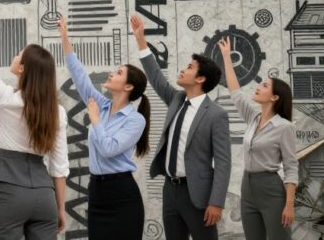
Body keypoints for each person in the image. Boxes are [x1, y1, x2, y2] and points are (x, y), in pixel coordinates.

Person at [0, 0, 68, 240]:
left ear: (22, 68)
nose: (15, 56)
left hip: (9, 192)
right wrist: (61, 208)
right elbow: (59, 165)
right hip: (45, 196)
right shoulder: (57, 112)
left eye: (18, 54)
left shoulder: (6, 98)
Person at [132, 14, 231, 240]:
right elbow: (157, 78)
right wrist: (141, 42)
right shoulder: (176, 99)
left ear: (200, 79)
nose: (183, 70)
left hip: (197, 194)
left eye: (189, 67)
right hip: (171, 191)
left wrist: (216, 202)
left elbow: (224, 163)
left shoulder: (217, 115)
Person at [59, 15, 149, 240]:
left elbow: (109, 149)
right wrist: (64, 37)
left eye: (118, 73)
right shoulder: (101, 104)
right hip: (97, 192)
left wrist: (96, 120)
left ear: (128, 86)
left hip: (122, 195)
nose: (112, 73)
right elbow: (79, 76)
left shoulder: (136, 120)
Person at [217, 36, 298, 240]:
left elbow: (291, 167)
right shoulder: (253, 117)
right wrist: (227, 57)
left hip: (271, 188)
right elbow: (235, 93)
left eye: (264, 85)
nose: (258, 87)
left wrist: (289, 205)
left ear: (274, 97)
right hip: (248, 185)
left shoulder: (284, 127)